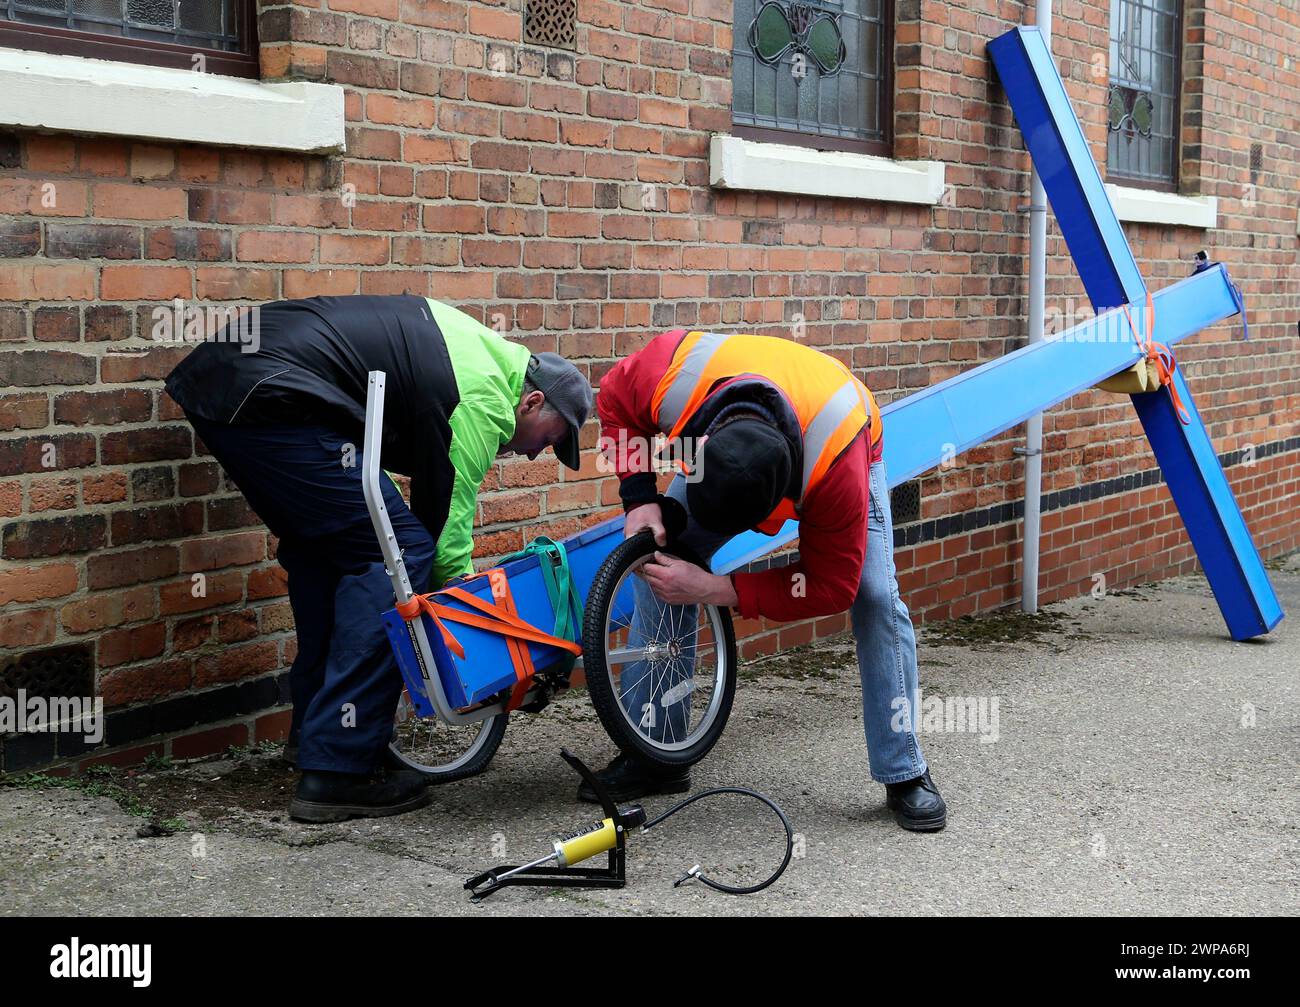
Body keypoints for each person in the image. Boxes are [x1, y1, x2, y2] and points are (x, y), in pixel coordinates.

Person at [165, 295, 592, 823]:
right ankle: (338, 772)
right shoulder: (482, 398)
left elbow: (387, 473)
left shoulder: (476, 354)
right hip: (270, 391)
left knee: (335, 551)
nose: (534, 454)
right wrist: (464, 607)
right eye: (550, 440)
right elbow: (446, 521)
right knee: (398, 551)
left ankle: (316, 739)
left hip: (232, 384)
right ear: (530, 403)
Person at [588, 329, 946, 831]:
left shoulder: (833, 469)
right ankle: (657, 752)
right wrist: (640, 497)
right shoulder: (670, 380)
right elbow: (614, 398)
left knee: (876, 596)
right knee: (662, 559)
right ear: (700, 445)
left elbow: (831, 585)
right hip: (741, 436)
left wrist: (717, 589)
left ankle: (905, 770)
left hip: (848, 433)